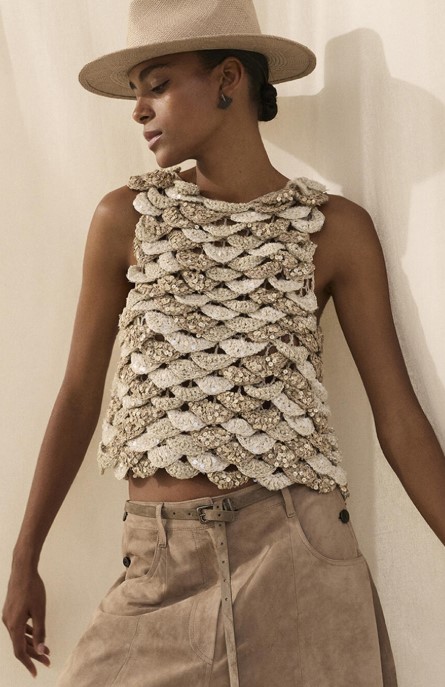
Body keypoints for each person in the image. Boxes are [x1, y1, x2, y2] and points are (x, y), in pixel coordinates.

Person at [3, 0, 445, 685]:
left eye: (157, 84)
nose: (138, 109)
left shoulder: (335, 229)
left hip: (299, 562)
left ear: (228, 79)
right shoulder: (125, 220)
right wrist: (24, 554)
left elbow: (398, 419)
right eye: (136, 91)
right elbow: (79, 395)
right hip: (161, 567)